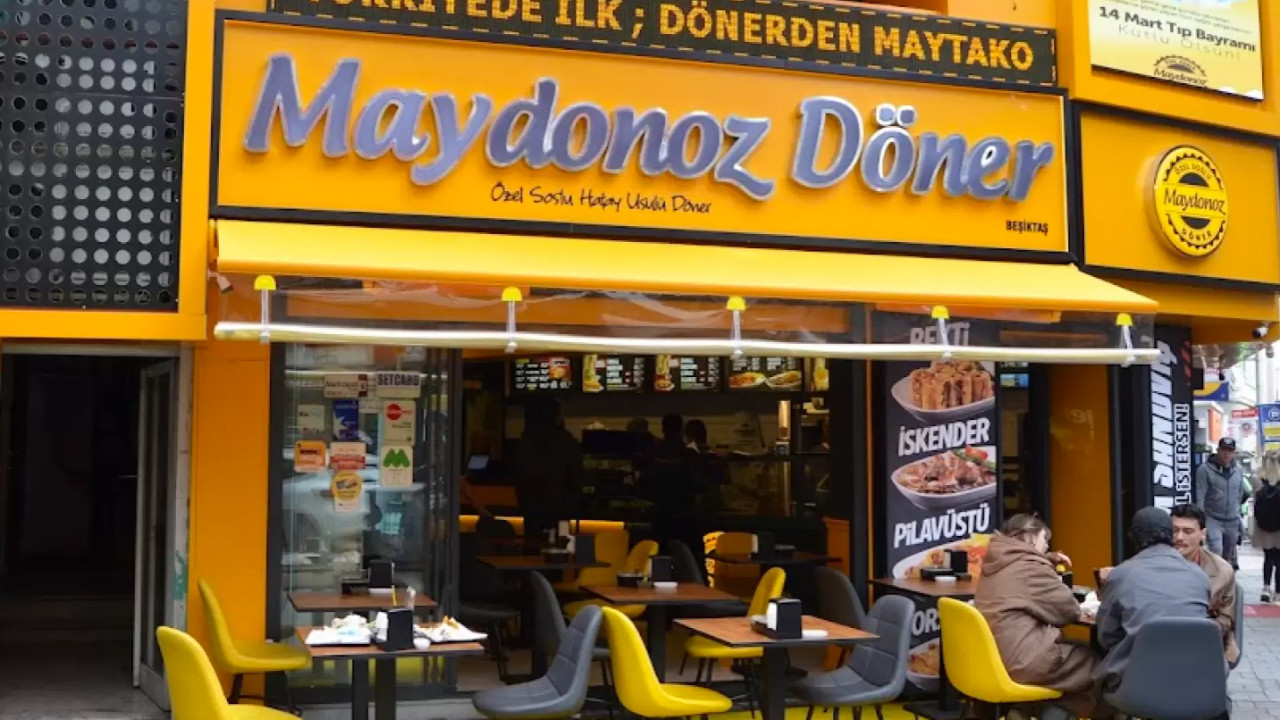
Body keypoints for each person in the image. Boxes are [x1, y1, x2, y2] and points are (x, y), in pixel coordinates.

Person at [976, 515, 1105, 719]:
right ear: (1033, 537)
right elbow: (1069, 610)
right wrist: (1045, 567)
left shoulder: (996, 561)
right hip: (1021, 662)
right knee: (1098, 667)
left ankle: (1023, 711)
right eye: (1045, 540)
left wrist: (1044, 560)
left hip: (991, 660)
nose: (1046, 546)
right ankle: (1045, 713)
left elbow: (1022, 586)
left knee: (1073, 655)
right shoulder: (1031, 567)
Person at [1094, 507, 1213, 694]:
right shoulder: (1200, 576)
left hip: (1137, 683)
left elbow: (1106, 636)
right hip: (1196, 680)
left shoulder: (1121, 575)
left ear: (1133, 537)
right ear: (1170, 535)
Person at [1170, 504, 1239, 665]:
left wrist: (1194, 630)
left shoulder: (1222, 571)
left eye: (1188, 531)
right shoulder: (1153, 563)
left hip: (1203, 642)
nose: (1179, 537)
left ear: (1203, 534)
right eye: (1174, 530)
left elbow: (1226, 619)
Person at [515, 398, 584, 549]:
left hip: (532, 507)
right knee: (560, 546)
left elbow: (518, 474)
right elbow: (576, 474)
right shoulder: (566, 440)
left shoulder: (526, 440)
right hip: (561, 507)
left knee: (533, 546)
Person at [1194, 438, 1245, 568]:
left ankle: (1225, 577)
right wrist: (1201, 520)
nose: (1226, 453)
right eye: (1223, 449)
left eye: (1230, 450)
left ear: (1234, 453)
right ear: (1218, 450)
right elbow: (1200, 495)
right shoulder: (1205, 470)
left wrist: (1236, 511)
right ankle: (1215, 577)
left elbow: (1240, 492)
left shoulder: (1238, 470)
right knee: (1216, 550)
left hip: (1232, 519)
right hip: (1213, 518)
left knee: (1228, 554)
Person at [1252, 448, 1280, 602]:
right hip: (1279, 527)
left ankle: (1266, 588)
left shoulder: (1257, 479)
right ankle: (1278, 592)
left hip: (1263, 526)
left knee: (1268, 557)